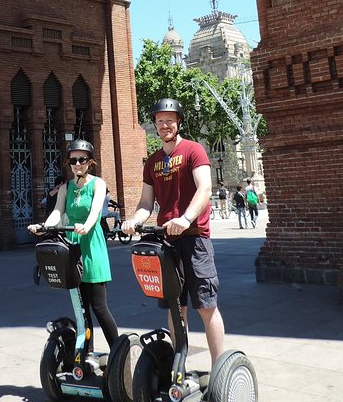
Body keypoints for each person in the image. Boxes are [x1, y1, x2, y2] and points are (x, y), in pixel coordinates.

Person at [121, 98, 225, 363]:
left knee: (206, 306)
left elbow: (204, 188)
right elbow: (146, 202)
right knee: (174, 307)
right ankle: (180, 366)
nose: (164, 125)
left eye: (169, 120)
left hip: (194, 239)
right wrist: (133, 220)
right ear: (154, 124)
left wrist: (187, 218)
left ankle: (219, 368)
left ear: (179, 122)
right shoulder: (153, 161)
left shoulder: (194, 151)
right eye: (159, 120)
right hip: (166, 242)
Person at [29, 140, 119, 352]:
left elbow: (96, 210)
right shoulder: (66, 187)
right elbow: (58, 213)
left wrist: (87, 226)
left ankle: (119, 353)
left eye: (82, 160)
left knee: (99, 307)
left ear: (90, 162)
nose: (77, 164)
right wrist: (44, 227)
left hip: (91, 245)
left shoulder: (98, 183)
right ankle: (86, 354)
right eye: (73, 160)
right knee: (81, 309)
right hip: (72, 245)